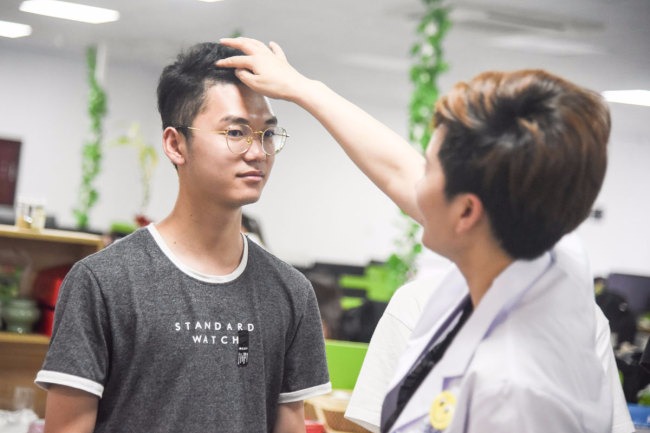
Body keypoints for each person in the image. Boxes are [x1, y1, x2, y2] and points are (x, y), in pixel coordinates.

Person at [217, 37, 626, 432]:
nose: (417, 185)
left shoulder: (508, 396)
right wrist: (302, 88)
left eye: (429, 169)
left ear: (467, 212)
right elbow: (398, 169)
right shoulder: (552, 256)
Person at [35, 42, 331, 433]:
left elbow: (288, 423)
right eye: (236, 132)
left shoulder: (291, 291)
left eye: (268, 134)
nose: (258, 152)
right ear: (176, 144)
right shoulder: (104, 281)